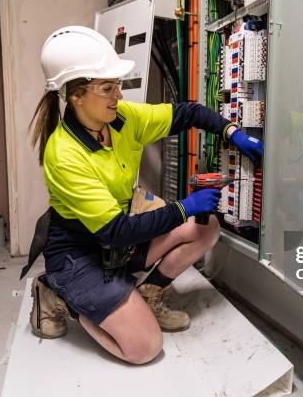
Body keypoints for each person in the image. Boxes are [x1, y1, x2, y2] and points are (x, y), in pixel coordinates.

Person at [20, 26, 263, 365]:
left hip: (116, 241)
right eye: (107, 88)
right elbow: (115, 231)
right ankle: (58, 295)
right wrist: (183, 207)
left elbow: (188, 112)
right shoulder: (63, 154)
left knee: (204, 229)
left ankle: (146, 295)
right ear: (76, 95)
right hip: (80, 254)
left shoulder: (121, 119)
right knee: (145, 348)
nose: (117, 95)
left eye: (117, 85)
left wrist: (231, 131)